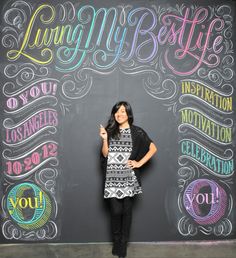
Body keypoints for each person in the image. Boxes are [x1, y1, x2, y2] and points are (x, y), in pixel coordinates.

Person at [99, 101, 157, 258]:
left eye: (123, 111)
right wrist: (104, 139)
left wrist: (139, 163)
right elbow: (105, 155)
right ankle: (116, 241)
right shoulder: (110, 131)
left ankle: (123, 244)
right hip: (112, 177)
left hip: (128, 178)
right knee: (115, 211)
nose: (119, 114)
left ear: (128, 114)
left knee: (127, 211)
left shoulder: (137, 132)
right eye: (117, 112)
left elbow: (153, 148)